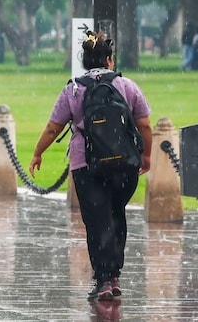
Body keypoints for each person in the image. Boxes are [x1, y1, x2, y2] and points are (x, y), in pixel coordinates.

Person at [29, 31, 152, 301]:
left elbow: (53, 128)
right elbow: (143, 124)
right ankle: (115, 273)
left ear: (85, 61)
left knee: (97, 221)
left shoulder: (73, 89)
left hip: (87, 164)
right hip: (124, 163)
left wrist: (38, 153)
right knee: (116, 213)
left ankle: (104, 278)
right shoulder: (127, 86)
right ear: (109, 60)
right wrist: (146, 156)